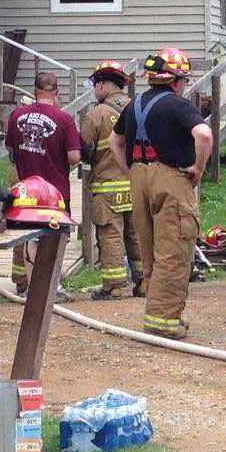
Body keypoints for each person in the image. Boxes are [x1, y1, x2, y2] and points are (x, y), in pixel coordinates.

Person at [109, 47, 212, 339]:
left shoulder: (133, 105)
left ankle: (157, 313)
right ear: (177, 80)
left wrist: (132, 171)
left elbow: (114, 142)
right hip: (170, 178)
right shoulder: (178, 106)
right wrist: (198, 167)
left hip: (139, 178)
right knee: (174, 249)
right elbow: (204, 135)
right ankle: (163, 322)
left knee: (151, 248)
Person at [5, 71, 82, 300]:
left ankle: (34, 288)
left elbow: (10, 147)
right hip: (55, 191)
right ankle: (52, 287)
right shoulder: (64, 119)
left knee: (31, 237)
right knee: (57, 239)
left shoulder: (18, 115)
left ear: (34, 90)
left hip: (27, 190)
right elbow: (74, 157)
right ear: (56, 91)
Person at [80, 60, 142, 300]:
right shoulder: (137, 107)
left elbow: (84, 150)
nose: (95, 89)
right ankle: (144, 281)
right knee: (137, 235)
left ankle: (114, 285)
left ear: (103, 84)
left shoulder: (97, 114)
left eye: (96, 84)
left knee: (111, 234)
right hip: (137, 184)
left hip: (107, 188)